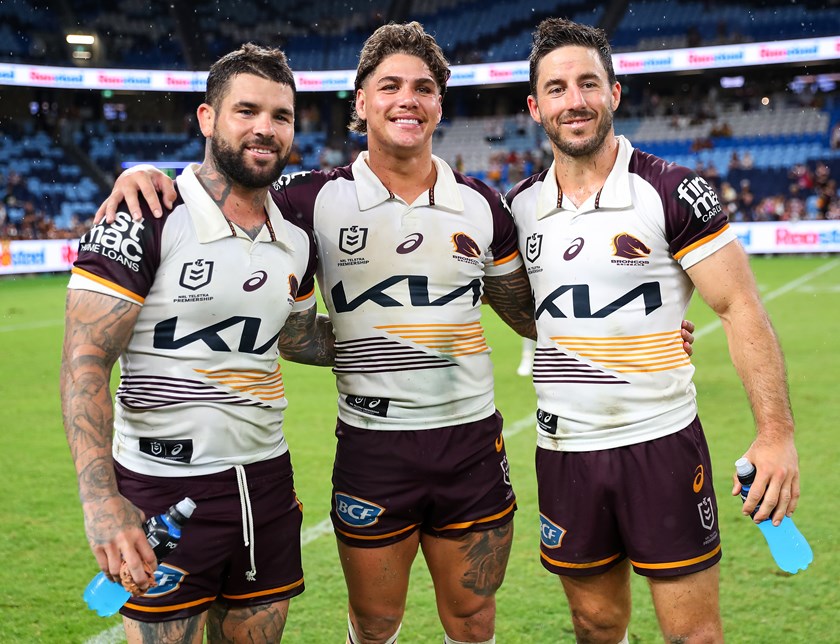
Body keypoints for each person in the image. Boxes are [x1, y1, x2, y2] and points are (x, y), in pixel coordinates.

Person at [93, 23, 696, 644]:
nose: (407, 99)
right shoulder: (307, 203)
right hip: (372, 446)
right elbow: (228, 184)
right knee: (377, 621)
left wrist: (637, 327)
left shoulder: (483, 206)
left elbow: (528, 310)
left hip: (470, 447)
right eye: (389, 86)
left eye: (424, 88)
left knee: (473, 618)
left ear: (439, 103)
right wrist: (148, 176)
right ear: (360, 102)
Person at [505, 18, 800, 643]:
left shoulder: (669, 191)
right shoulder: (518, 209)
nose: (574, 100)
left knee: (694, 636)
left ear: (615, 93)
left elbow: (741, 307)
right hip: (564, 452)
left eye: (589, 83)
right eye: (556, 89)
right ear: (535, 107)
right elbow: (521, 307)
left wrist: (775, 435)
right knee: (595, 624)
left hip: (661, 445)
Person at [61, 44, 333, 643]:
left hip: (266, 485)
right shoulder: (145, 216)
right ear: (208, 119)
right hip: (162, 489)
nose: (265, 128)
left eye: (281, 116)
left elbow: (297, 339)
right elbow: (85, 363)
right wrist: (101, 501)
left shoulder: (293, 237)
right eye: (247, 111)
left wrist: (409, 329)